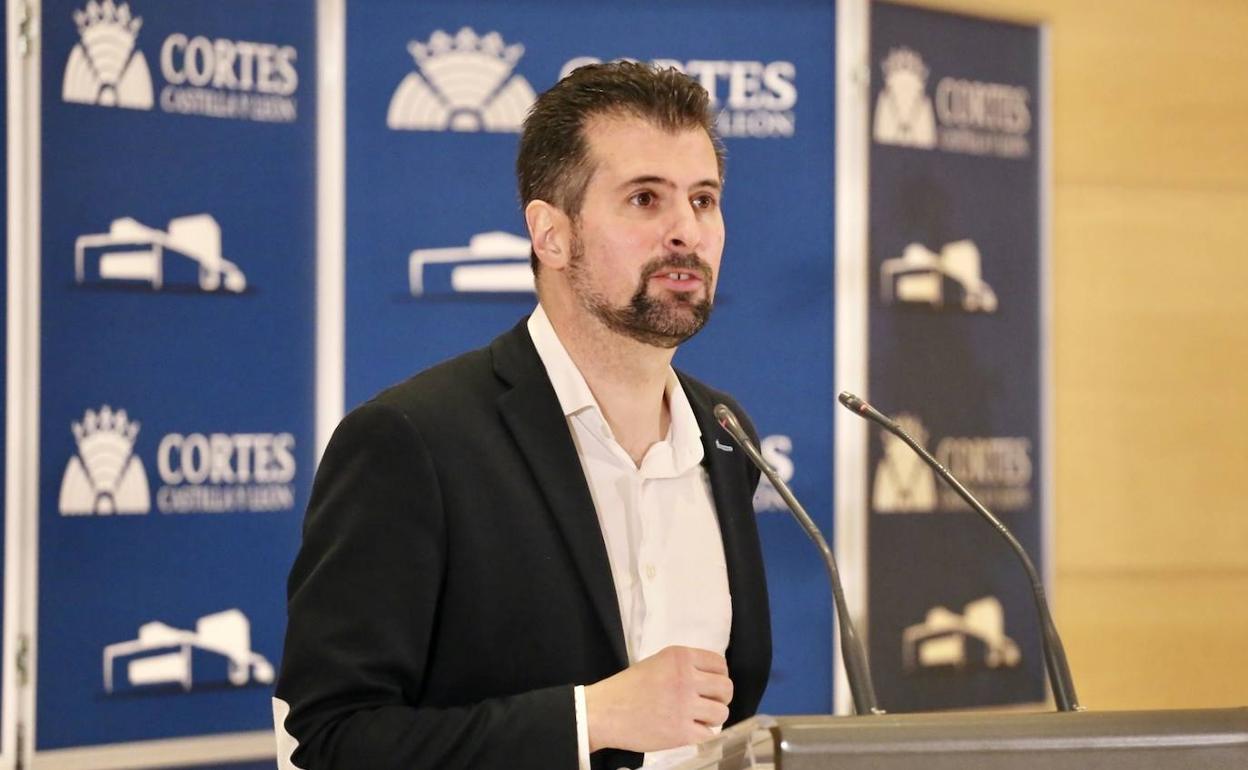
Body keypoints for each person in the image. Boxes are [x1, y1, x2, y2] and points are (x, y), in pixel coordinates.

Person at [275, 62, 771, 770]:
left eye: (703, 199)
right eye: (644, 199)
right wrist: (590, 719)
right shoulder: (412, 441)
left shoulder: (725, 435)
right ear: (551, 234)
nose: (686, 231)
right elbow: (331, 739)